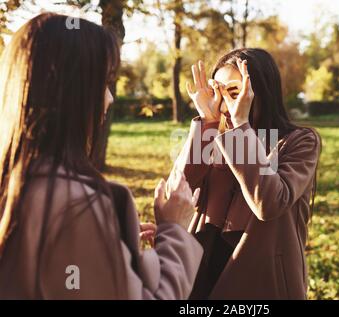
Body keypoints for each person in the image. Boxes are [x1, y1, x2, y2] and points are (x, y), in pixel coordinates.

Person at [0, 13, 203, 299]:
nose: (110, 98)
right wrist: (175, 231)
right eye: (104, 81)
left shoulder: (15, 183)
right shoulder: (75, 206)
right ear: (71, 88)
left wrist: (127, 255)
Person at [170, 48, 321, 299]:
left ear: (260, 92)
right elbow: (178, 189)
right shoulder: (214, 136)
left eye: (234, 92)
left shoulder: (299, 141)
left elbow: (269, 203)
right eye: (217, 91)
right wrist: (207, 120)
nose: (225, 103)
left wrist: (241, 126)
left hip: (262, 285)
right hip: (200, 276)